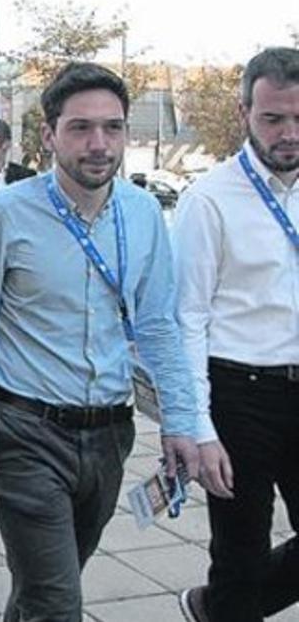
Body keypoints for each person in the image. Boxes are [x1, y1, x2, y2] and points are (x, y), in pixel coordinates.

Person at [0, 62, 201, 622]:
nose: (99, 144)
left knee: (42, 590)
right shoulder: (3, 215)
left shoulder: (143, 212)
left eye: (113, 127)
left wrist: (181, 421)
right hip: (25, 437)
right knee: (59, 603)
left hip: (110, 436)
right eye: (81, 128)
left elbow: (157, 325)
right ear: (49, 135)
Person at [173, 46, 299, 622]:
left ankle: (216, 609)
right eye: (273, 118)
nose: (288, 133)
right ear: (245, 111)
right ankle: (226, 602)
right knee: (241, 552)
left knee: (241, 588)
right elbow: (189, 317)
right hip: (239, 393)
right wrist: (198, 427)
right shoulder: (210, 199)